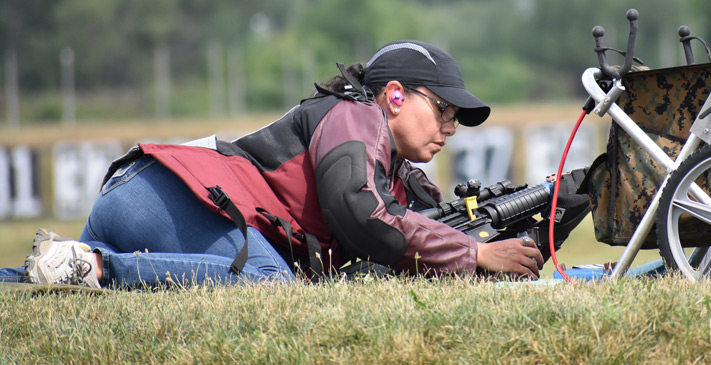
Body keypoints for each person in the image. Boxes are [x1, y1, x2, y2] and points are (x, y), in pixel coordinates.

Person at [5, 40, 549, 289]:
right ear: (398, 96)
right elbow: (361, 213)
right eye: (445, 109)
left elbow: (417, 229)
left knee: (26, 285)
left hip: (151, 202)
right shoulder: (357, 115)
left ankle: (59, 266)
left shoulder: (400, 171)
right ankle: (96, 268)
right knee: (270, 280)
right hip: (162, 197)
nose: (451, 126)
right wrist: (476, 252)